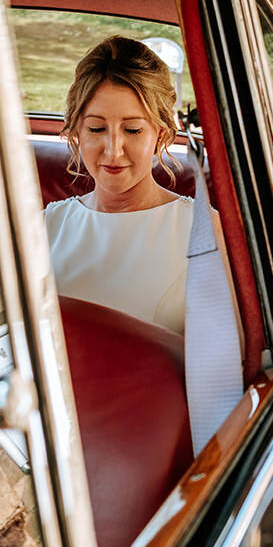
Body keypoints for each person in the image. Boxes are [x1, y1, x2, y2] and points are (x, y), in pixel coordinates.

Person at [44, 35, 194, 334]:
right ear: (76, 131)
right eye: (96, 128)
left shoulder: (201, 230)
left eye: (133, 129)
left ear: (161, 134)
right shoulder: (47, 226)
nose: (113, 151)